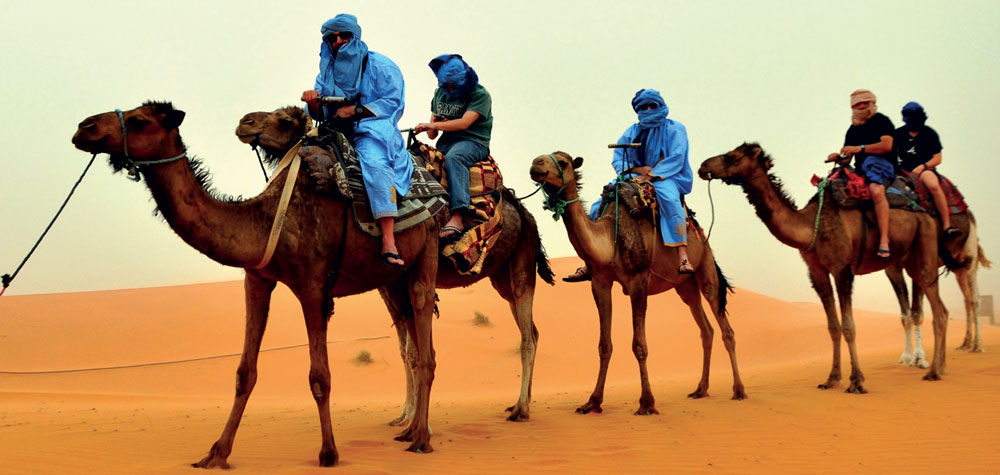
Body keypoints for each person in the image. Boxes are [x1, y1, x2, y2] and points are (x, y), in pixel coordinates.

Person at [301, 14, 413, 268]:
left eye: (344, 36)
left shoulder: (382, 67)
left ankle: (388, 239)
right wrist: (313, 103)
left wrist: (356, 111)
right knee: (300, 155)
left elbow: (393, 103)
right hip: (335, 130)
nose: (338, 41)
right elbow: (320, 112)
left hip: (372, 128)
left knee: (375, 164)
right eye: (332, 37)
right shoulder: (327, 72)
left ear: (355, 36)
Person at [564, 88, 694, 282]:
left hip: (666, 176)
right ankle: (589, 264)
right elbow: (618, 158)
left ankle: (683, 257)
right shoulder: (632, 131)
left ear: (660, 105)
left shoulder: (675, 129)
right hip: (634, 175)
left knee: (669, 199)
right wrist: (637, 170)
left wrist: (651, 175)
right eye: (644, 107)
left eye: (652, 105)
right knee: (598, 205)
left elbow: (676, 157)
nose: (649, 109)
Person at [414, 54, 493, 242]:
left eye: (453, 85)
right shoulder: (440, 93)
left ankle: (458, 215)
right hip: (445, 143)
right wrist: (433, 124)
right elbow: (433, 136)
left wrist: (432, 125)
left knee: (454, 158)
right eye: (445, 85)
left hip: (473, 142)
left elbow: (464, 124)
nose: (449, 89)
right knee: (416, 157)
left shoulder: (480, 95)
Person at [827, 89, 895, 261]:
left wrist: (861, 148)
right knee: (832, 189)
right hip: (861, 169)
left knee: (876, 191)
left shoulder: (882, 121)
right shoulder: (853, 129)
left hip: (882, 165)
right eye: (858, 104)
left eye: (865, 102)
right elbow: (847, 157)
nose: (862, 106)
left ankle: (884, 240)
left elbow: (887, 145)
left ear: (872, 103)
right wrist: (838, 157)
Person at [893, 101, 960, 239]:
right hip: (901, 170)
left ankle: (947, 226)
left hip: (924, 170)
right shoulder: (898, 134)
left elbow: (938, 158)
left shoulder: (929, 133)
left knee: (933, 185)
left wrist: (923, 166)